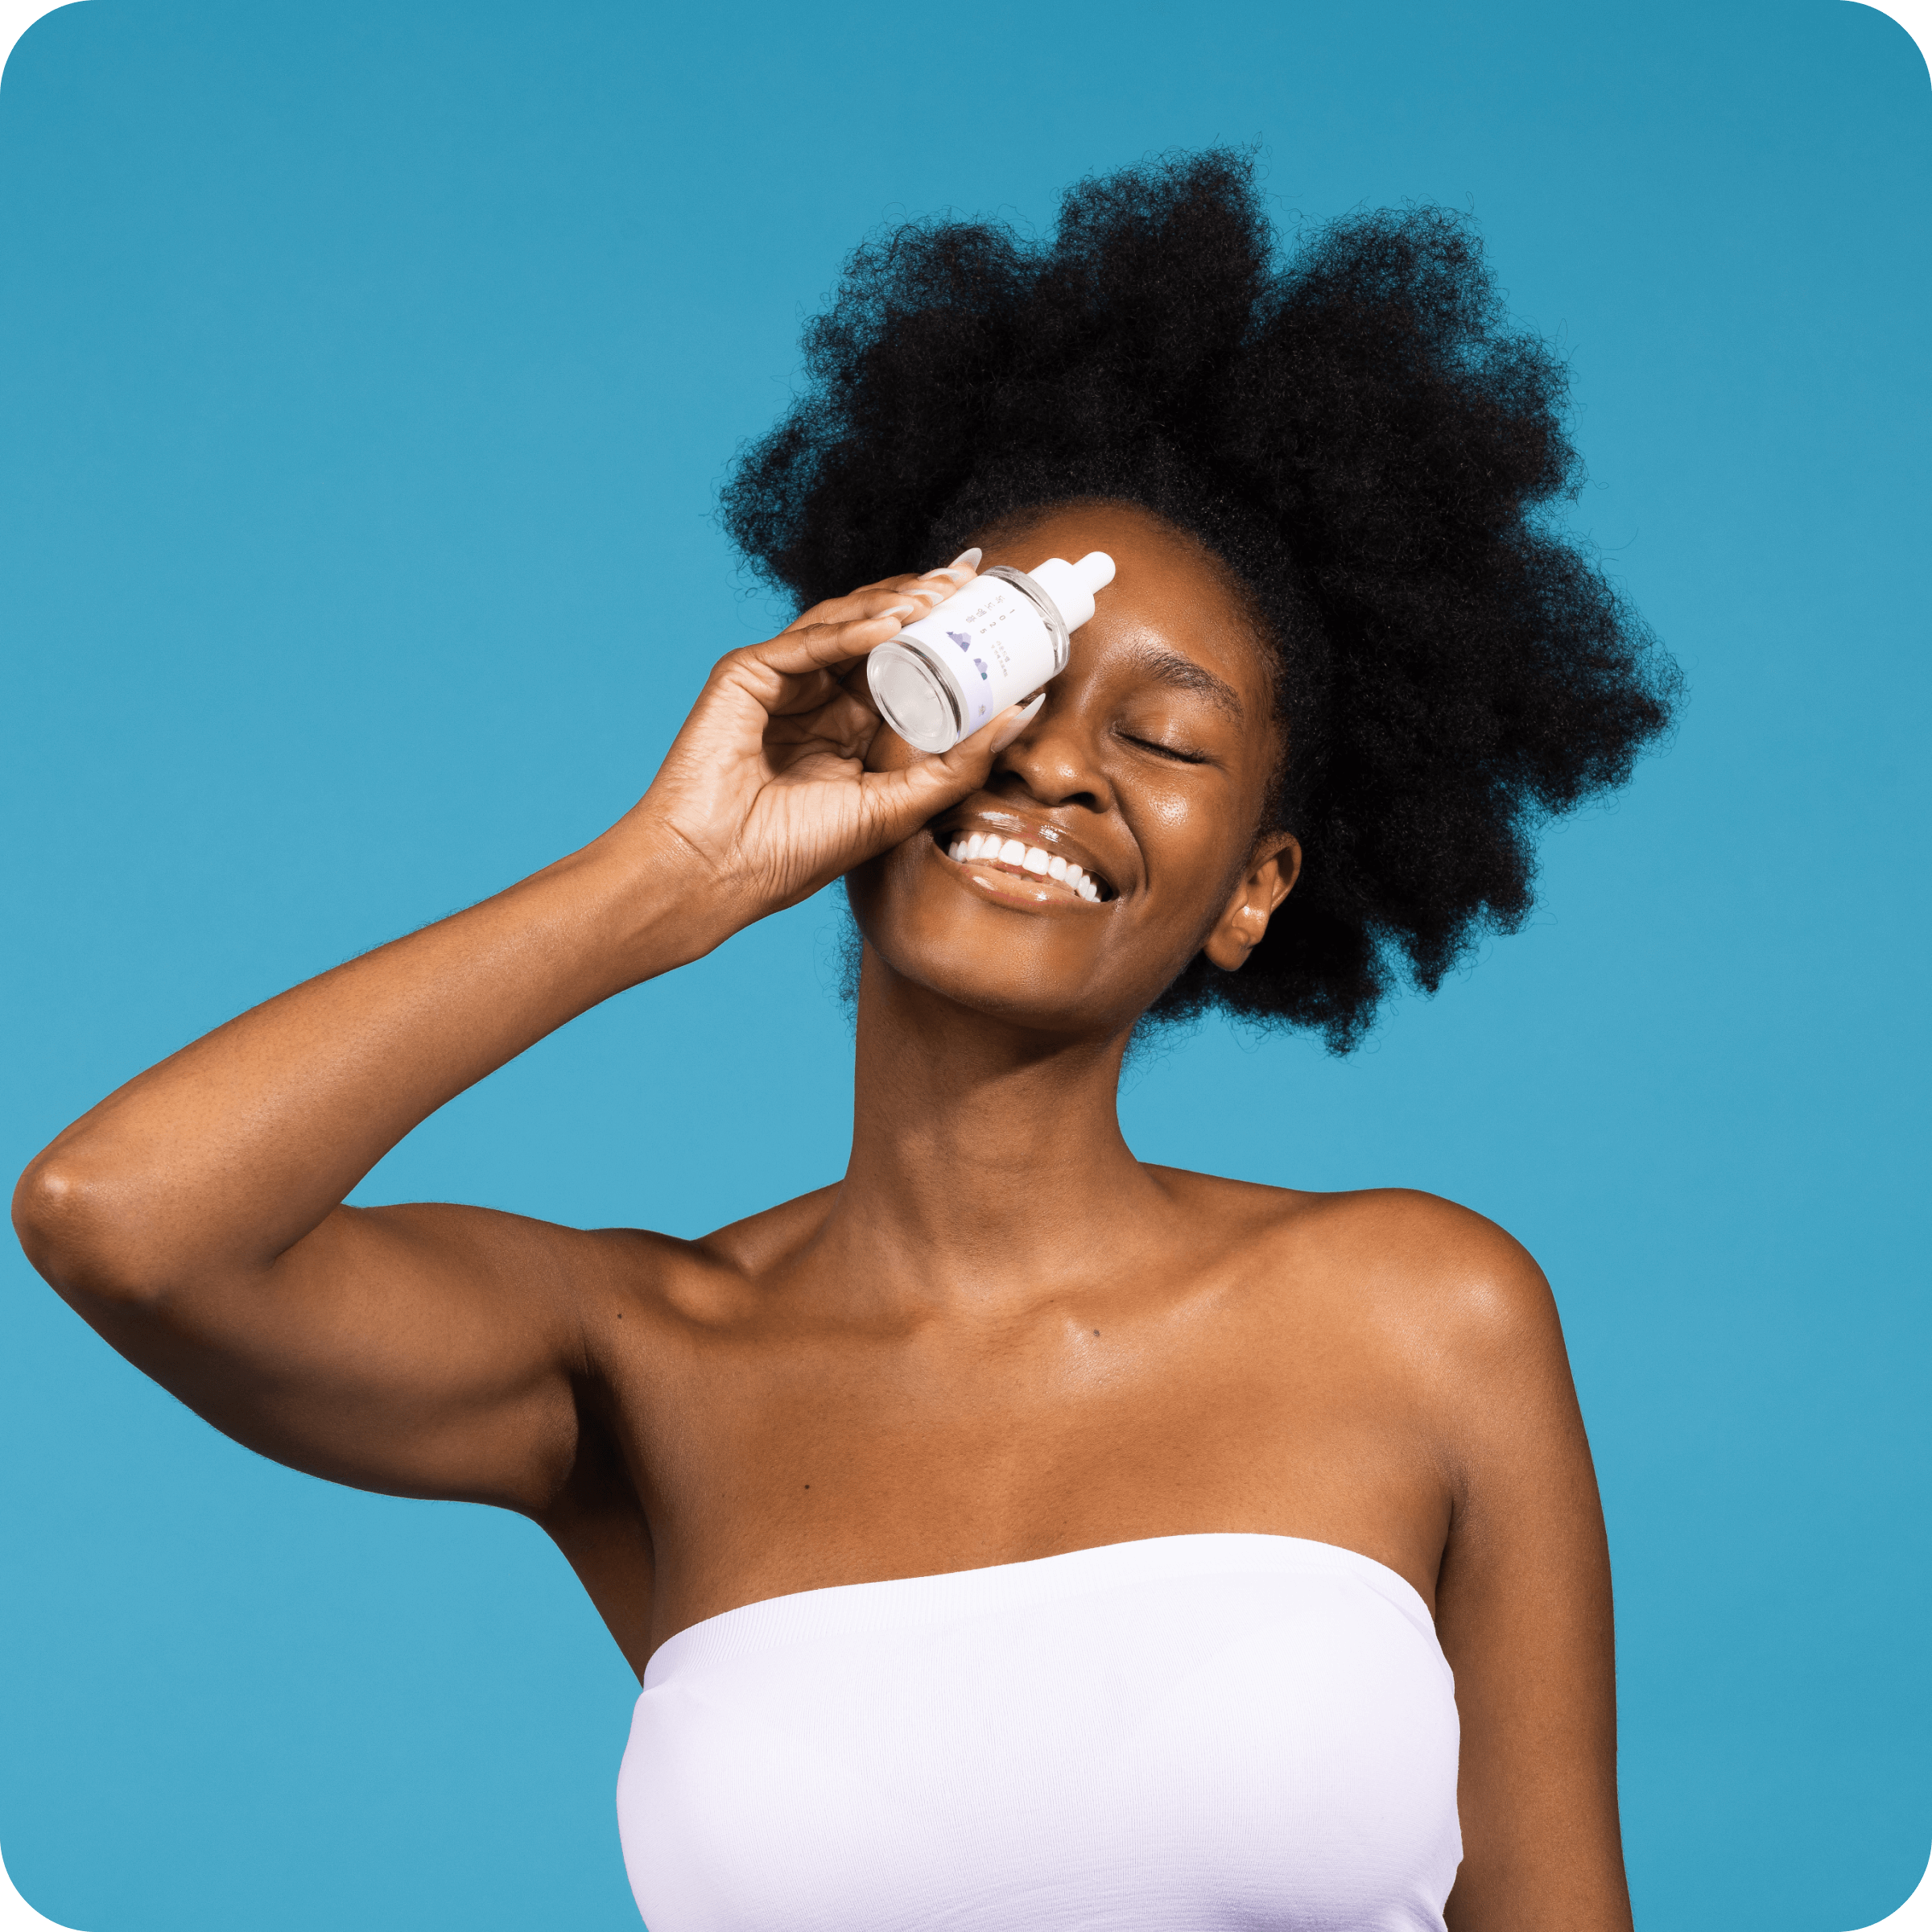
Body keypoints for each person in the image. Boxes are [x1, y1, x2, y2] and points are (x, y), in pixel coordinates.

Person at [12, 151, 1678, 1930]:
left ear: (1254, 891)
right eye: (1003, 680)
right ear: (885, 712)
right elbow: (122, 1217)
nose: (1050, 762)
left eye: (1168, 740)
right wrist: (661, 880)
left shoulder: (1425, 1312)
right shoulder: (642, 1360)